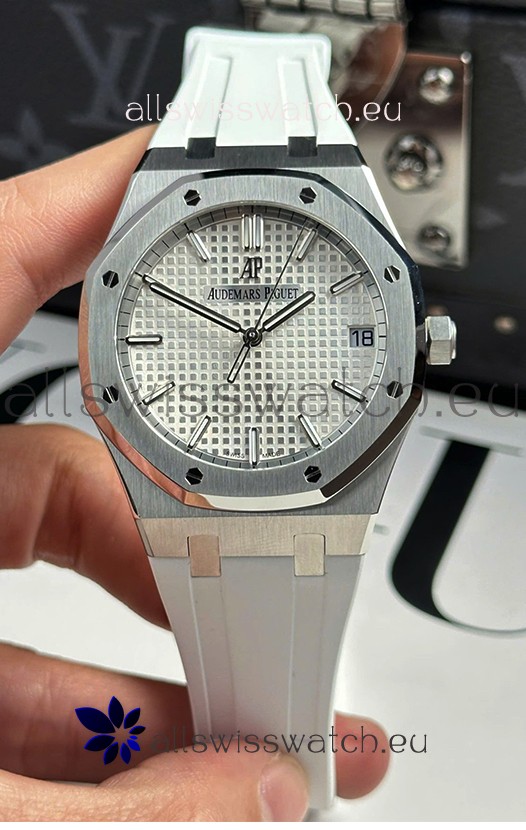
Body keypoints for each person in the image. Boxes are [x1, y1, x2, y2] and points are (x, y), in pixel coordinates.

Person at [0, 127, 389, 821]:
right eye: (245, 335)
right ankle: (274, 772)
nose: (250, 337)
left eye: (254, 334)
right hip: (204, 489)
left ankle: (267, 769)